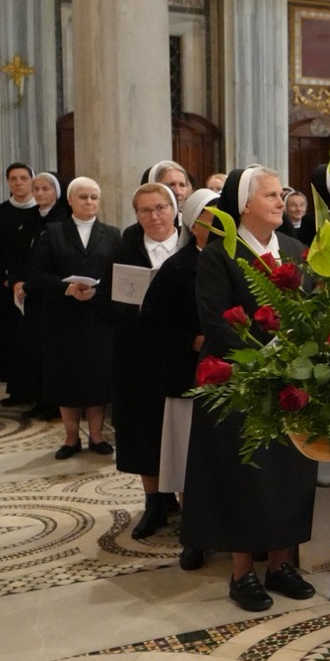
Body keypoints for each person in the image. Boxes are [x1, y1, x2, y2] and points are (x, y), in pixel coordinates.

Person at [181, 166, 317, 612]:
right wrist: (271, 352)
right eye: (271, 195)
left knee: (288, 473)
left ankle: (280, 564)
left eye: (282, 195)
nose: (281, 202)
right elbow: (216, 321)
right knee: (242, 475)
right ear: (243, 205)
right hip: (237, 380)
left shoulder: (294, 249)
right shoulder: (219, 254)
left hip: (291, 380)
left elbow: (311, 309)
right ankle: (242, 573)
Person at [144, 187, 219, 571]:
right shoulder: (176, 268)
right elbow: (153, 323)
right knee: (189, 462)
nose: (219, 223)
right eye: (211, 216)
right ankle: (194, 537)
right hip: (187, 376)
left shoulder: (233, 260)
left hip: (229, 376)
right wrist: (192, 340)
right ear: (193, 223)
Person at [108, 182, 183, 539]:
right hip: (137, 356)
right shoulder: (124, 250)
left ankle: (188, 503)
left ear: (174, 209)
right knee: (144, 428)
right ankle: (154, 503)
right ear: (136, 215)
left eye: (160, 208)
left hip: (181, 354)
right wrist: (135, 310)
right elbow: (105, 306)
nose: (154, 216)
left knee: (181, 431)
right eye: (145, 210)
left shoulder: (191, 246)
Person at [27, 177, 121, 457]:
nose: (89, 202)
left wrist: (98, 290)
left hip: (98, 319)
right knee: (66, 378)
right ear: (70, 200)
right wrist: (68, 289)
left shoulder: (112, 234)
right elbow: (38, 275)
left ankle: (96, 436)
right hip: (63, 319)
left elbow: (118, 272)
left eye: (94, 197)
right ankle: (70, 438)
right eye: (83, 197)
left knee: (97, 378)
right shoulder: (53, 232)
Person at [10, 172, 68, 419]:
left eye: (46, 189)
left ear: (57, 192)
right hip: (29, 293)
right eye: (37, 189)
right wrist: (16, 281)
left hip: (49, 294)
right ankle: (35, 397)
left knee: (50, 352)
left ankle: (52, 403)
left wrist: (31, 283)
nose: (40, 193)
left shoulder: (63, 220)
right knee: (32, 349)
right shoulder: (31, 218)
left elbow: (53, 262)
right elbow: (18, 254)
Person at [0, 162, 38, 398]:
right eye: (13, 179)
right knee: (9, 338)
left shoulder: (40, 212)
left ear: (32, 180)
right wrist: (6, 279)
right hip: (5, 286)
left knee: (30, 340)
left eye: (23, 178)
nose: (18, 182)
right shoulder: (2, 212)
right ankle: (14, 391)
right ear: (7, 183)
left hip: (33, 287)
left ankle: (31, 390)